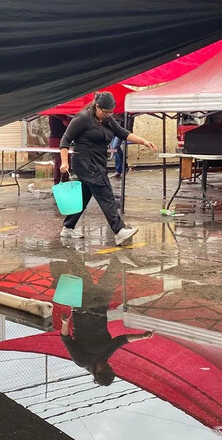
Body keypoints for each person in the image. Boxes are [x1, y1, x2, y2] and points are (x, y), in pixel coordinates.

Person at [59, 92, 157, 246]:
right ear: (97, 106)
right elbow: (64, 141)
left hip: (98, 161)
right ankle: (119, 231)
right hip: (85, 162)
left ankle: (68, 227)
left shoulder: (108, 120)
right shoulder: (83, 118)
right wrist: (64, 162)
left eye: (110, 112)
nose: (108, 115)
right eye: (105, 112)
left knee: (84, 195)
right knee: (105, 193)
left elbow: (123, 133)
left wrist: (143, 141)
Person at [58, 255, 154, 386]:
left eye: (104, 368)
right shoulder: (105, 355)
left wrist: (65, 323)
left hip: (83, 310)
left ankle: (70, 252)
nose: (107, 365)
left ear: (96, 372)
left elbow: (66, 339)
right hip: (100, 310)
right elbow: (121, 340)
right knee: (108, 282)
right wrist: (142, 336)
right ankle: (119, 256)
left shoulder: (82, 360)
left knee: (84, 278)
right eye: (109, 367)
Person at [49, 115, 71, 184]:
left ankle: (58, 183)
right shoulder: (60, 114)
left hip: (57, 138)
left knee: (58, 162)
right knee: (62, 162)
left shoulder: (55, 113)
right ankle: (63, 182)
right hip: (58, 139)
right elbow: (67, 124)